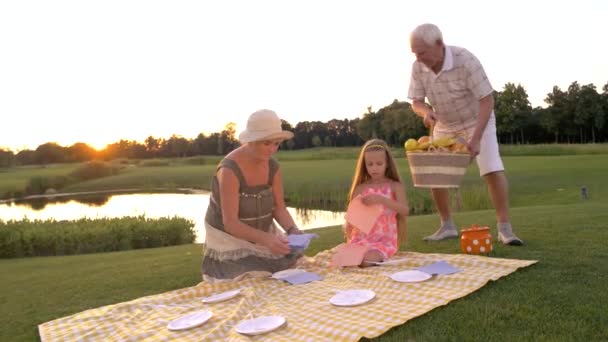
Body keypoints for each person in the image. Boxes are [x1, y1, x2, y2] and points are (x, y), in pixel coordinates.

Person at [407, 23, 523, 245]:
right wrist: (426, 112)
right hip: (445, 124)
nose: (418, 58)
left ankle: (505, 230)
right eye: (414, 53)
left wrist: (476, 138)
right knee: (434, 173)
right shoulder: (417, 67)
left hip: (477, 120)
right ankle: (447, 226)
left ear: (439, 44)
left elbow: (487, 100)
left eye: (422, 52)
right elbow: (416, 101)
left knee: (491, 169)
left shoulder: (466, 60)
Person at [201, 109, 304, 282]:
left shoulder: (273, 167)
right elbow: (231, 223)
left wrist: (293, 230)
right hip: (230, 240)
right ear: (252, 141)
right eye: (267, 143)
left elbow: (279, 208)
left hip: (263, 235)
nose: (272, 149)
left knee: (289, 271)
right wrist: (267, 240)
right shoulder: (229, 170)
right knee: (252, 279)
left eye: (277, 144)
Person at [344, 139, 409, 265]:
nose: (374, 168)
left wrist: (382, 200)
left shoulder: (394, 186)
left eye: (379, 164)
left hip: (383, 241)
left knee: (366, 260)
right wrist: (348, 226)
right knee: (346, 261)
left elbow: (405, 210)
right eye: (370, 164)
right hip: (360, 239)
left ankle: (370, 258)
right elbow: (352, 218)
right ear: (365, 165)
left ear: (387, 164)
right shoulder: (361, 188)